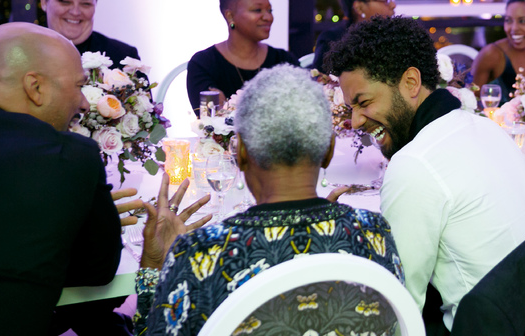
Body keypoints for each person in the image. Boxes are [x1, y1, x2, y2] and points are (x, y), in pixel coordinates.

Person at [135, 65, 405, 335]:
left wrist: (154, 268)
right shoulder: (374, 233)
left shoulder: (200, 252)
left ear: (239, 151)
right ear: (329, 150)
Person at [324, 16, 525, 333]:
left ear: (411, 83)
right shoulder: (485, 128)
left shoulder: (416, 164)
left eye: (363, 102)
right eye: (351, 107)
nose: (356, 121)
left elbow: (397, 306)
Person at [0, 22, 122, 336]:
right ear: (35, 87)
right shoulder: (70, 157)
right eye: (78, 86)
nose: (84, 102)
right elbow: (97, 274)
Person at [186, 0, 298, 115]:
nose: (268, 17)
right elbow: (211, 124)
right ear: (230, 16)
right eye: (257, 10)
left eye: (270, 10)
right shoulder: (204, 64)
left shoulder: (283, 61)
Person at [41, 0, 140, 69]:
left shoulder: (123, 57)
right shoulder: (25, 53)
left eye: (86, 4)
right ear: (44, 1)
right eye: (65, 2)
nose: (75, 12)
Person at [312, 0, 396, 73]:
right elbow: (321, 82)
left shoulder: (396, 39)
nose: (392, 5)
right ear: (359, 7)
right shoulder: (332, 41)